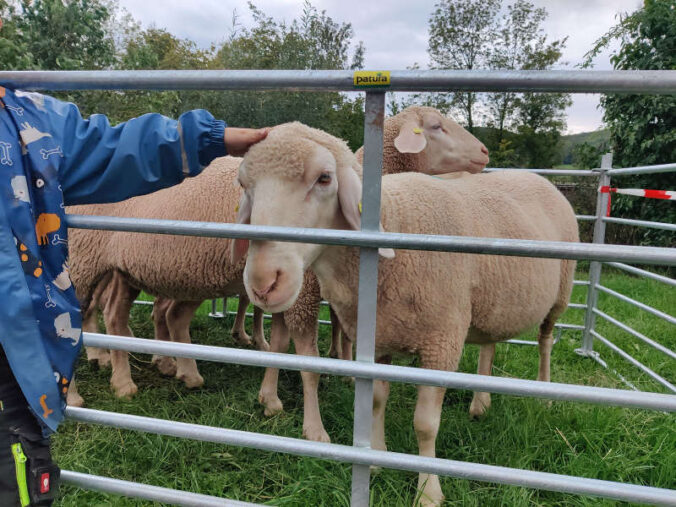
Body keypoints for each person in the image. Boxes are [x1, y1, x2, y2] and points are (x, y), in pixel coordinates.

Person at [0, 82, 268, 506]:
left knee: (17, 471)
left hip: (15, 353)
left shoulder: (23, 117)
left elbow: (108, 146)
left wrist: (207, 139)